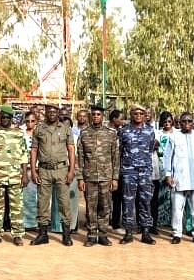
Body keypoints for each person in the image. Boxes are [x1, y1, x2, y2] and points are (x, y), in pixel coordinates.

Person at [0, 105, 30, 245]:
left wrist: (25, 175)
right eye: (2, 117)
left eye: (7, 118)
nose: (5, 119)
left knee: (16, 206)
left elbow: (24, 155)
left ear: (11, 118)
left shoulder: (18, 133)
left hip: (15, 175)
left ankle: (17, 234)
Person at [30, 104, 76, 246]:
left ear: (58, 113)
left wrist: (71, 170)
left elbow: (71, 150)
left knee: (64, 202)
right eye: (49, 111)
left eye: (54, 111)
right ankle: (43, 234)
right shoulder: (39, 129)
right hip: (44, 170)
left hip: (61, 169)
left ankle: (66, 234)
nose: (51, 114)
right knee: (42, 202)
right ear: (45, 113)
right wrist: (33, 171)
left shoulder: (65, 128)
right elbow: (34, 150)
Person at [77, 104, 119, 247]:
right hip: (90, 177)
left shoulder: (111, 134)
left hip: (106, 177)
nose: (96, 117)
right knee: (91, 208)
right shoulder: (84, 133)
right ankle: (91, 235)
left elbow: (115, 157)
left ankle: (102, 235)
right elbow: (80, 157)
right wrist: (80, 178)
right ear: (90, 116)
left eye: (98, 114)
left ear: (102, 116)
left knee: (105, 207)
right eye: (93, 114)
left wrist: (115, 178)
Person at [164, 112, 194, 245]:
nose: (187, 124)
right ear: (180, 123)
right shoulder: (174, 137)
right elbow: (168, 156)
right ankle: (177, 233)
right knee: (177, 209)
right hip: (179, 179)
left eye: (190, 121)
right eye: (184, 121)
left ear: (193, 122)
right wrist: (168, 174)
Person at [117, 104, 157, 244]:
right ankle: (128, 232)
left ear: (145, 115)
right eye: (136, 113)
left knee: (145, 201)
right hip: (129, 171)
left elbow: (150, 148)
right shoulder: (124, 131)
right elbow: (120, 150)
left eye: (141, 114)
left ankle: (145, 232)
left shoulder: (150, 130)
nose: (138, 116)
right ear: (131, 115)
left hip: (145, 171)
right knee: (128, 201)